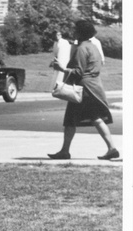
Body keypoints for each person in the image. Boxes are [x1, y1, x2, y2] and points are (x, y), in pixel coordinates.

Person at [49, 20, 119, 161]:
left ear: (81, 33)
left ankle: (65, 151)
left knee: (74, 119)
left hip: (83, 89)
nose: (73, 32)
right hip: (94, 87)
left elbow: (78, 72)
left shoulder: (82, 49)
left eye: (76, 30)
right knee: (91, 118)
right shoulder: (93, 47)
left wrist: (61, 68)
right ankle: (111, 149)